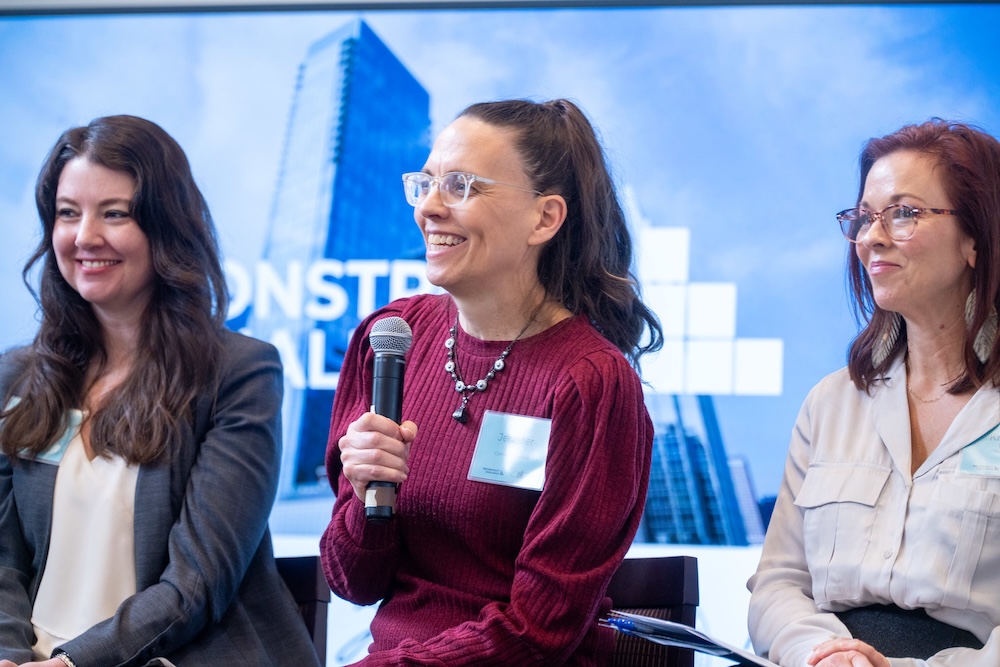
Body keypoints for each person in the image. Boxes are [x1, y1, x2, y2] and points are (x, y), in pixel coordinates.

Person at [320, 98, 663, 665]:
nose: (429, 207)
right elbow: (352, 582)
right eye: (425, 183)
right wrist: (364, 496)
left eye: (461, 186)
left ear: (545, 218)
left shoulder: (591, 383)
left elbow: (540, 629)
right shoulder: (390, 338)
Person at [0, 115, 320, 667]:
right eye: (67, 214)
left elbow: (197, 582)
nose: (84, 237)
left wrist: (74, 663)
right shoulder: (20, 378)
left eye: (115, 214)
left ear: (166, 227)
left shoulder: (237, 374)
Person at [747, 119, 1000, 667]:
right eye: (864, 218)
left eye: (904, 213)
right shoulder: (831, 402)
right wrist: (822, 654)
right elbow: (777, 585)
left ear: (977, 238)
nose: (871, 237)